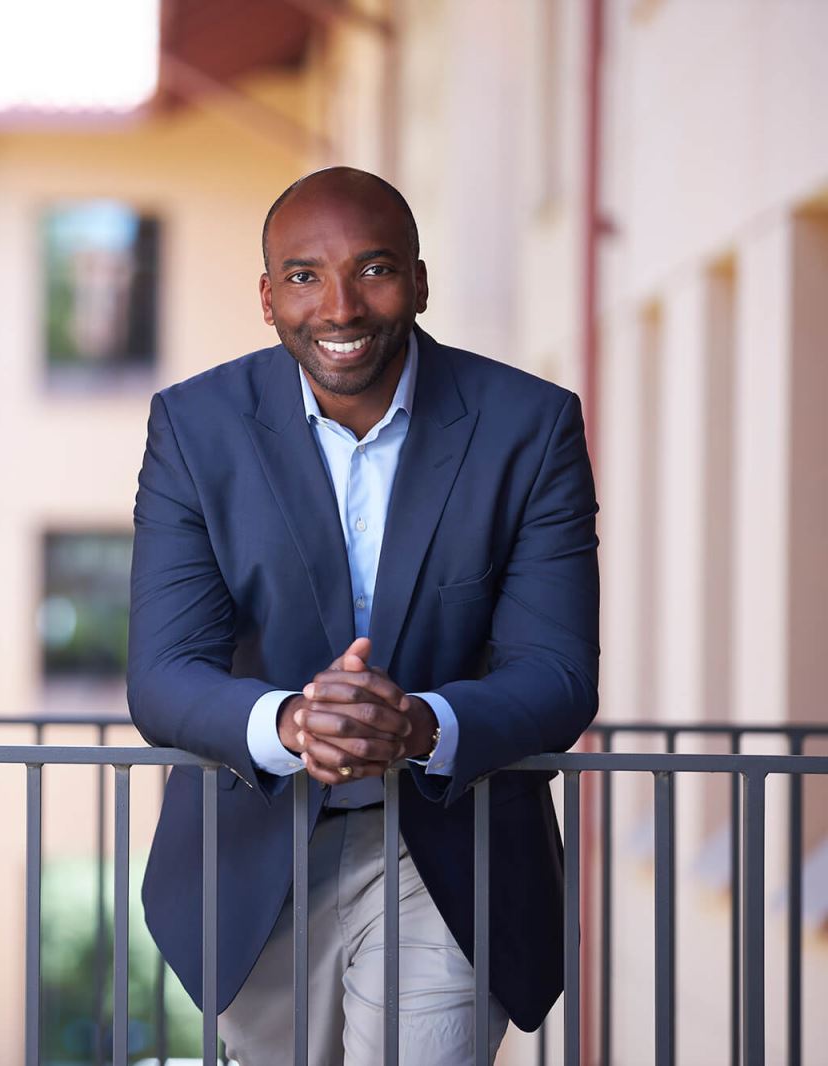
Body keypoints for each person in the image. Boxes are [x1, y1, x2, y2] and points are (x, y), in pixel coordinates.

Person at [126, 166, 599, 1064]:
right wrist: (297, 723)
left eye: (374, 269)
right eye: (304, 276)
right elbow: (162, 673)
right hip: (258, 847)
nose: (340, 307)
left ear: (420, 282)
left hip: (447, 841)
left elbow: (559, 673)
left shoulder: (527, 427)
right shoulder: (196, 428)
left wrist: (418, 723)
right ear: (267, 298)